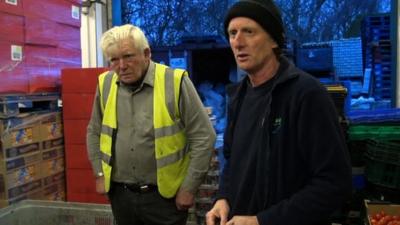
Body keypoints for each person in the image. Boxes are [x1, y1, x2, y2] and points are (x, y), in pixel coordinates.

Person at [206, 1, 352, 225]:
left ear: (274, 40)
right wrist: (223, 197)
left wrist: (263, 221)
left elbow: (334, 183)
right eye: (232, 33)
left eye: (249, 32)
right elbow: (233, 162)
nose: (238, 42)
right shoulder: (238, 96)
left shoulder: (306, 95)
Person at [86, 24, 216, 225]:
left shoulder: (174, 82)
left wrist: (189, 188)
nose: (121, 66)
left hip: (165, 199)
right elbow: (94, 132)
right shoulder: (105, 84)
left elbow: (204, 136)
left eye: (128, 56)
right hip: (121, 196)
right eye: (114, 59)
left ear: (146, 53)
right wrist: (99, 173)